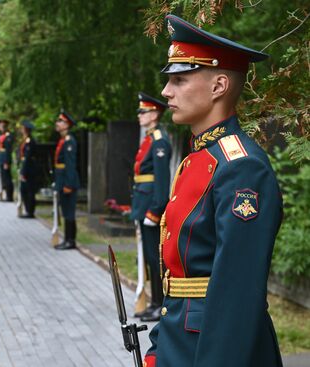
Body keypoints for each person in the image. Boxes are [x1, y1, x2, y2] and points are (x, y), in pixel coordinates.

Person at [143, 14, 283, 367]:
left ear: (219, 86)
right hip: (182, 337)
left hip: (215, 349)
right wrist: (159, 345)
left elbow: (237, 292)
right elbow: (179, 275)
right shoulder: (198, 158)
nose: (166, 92)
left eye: (179, 80)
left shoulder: (241, 167)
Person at [130, 92, 171, 322]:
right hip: (143, 204)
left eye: (143, 112)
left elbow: (162, 180)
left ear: (154, 114)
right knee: (148, 257)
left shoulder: (159, 141)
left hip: (151, 209)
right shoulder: (148, 139)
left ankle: (160, 305)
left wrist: (155, 211)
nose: (139, 115)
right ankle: (154, 302)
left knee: (156, 259)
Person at [54, 110, 80, 250]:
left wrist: (68, 184)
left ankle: (70, 240)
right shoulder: (63, 140)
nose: (57, 123)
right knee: (65, 211)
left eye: (60, 121)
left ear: (67, 125)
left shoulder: (69, 141)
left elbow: (70, 164)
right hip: (62, 180)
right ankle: (68, 238)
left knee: (69, 212)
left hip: (68, 181)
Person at [18, 120, 39, 218]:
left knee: (29, 190)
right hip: (26, 166)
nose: (21, 130)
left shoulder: (30, 141)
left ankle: (30, 211)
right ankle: (28, 209)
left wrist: (23, 172)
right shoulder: (25, 140)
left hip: (29, 169)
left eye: (23, 128)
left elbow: (27, 157)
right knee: (24, 190)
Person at [0, 119, 14, 201]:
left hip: (5, 159)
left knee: (7, 178)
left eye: (1, 126)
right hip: (1, 157)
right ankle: (6, 194)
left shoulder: (8, 136)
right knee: (4, 177)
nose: (0, 127)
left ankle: (9, 196)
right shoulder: (2, 135)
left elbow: (8, 150)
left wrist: (6, 162)